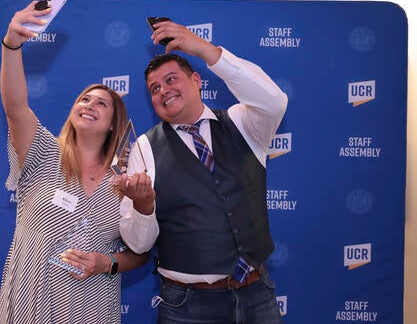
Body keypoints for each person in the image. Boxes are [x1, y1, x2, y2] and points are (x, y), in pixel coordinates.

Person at [116, 19, 288, 323]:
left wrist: (207, 51)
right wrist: (143, 205)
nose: (164, 91)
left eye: (171, 80)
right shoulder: (144, 147)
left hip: (256, 295)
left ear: (196, 79)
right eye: (155, 88)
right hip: (187, 306)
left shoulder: (242, 124)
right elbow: (139, 244)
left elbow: (273, 101)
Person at [0, 0, 149, 324]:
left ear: (113, 123)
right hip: (31, 301)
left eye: (102, 103)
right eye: (84, 99)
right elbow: (15, 107)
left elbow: (141, 253)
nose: (89, 104)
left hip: (90, 305)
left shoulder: (126, 180)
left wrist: (105, 263)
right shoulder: (42, 153)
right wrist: (12, 44)